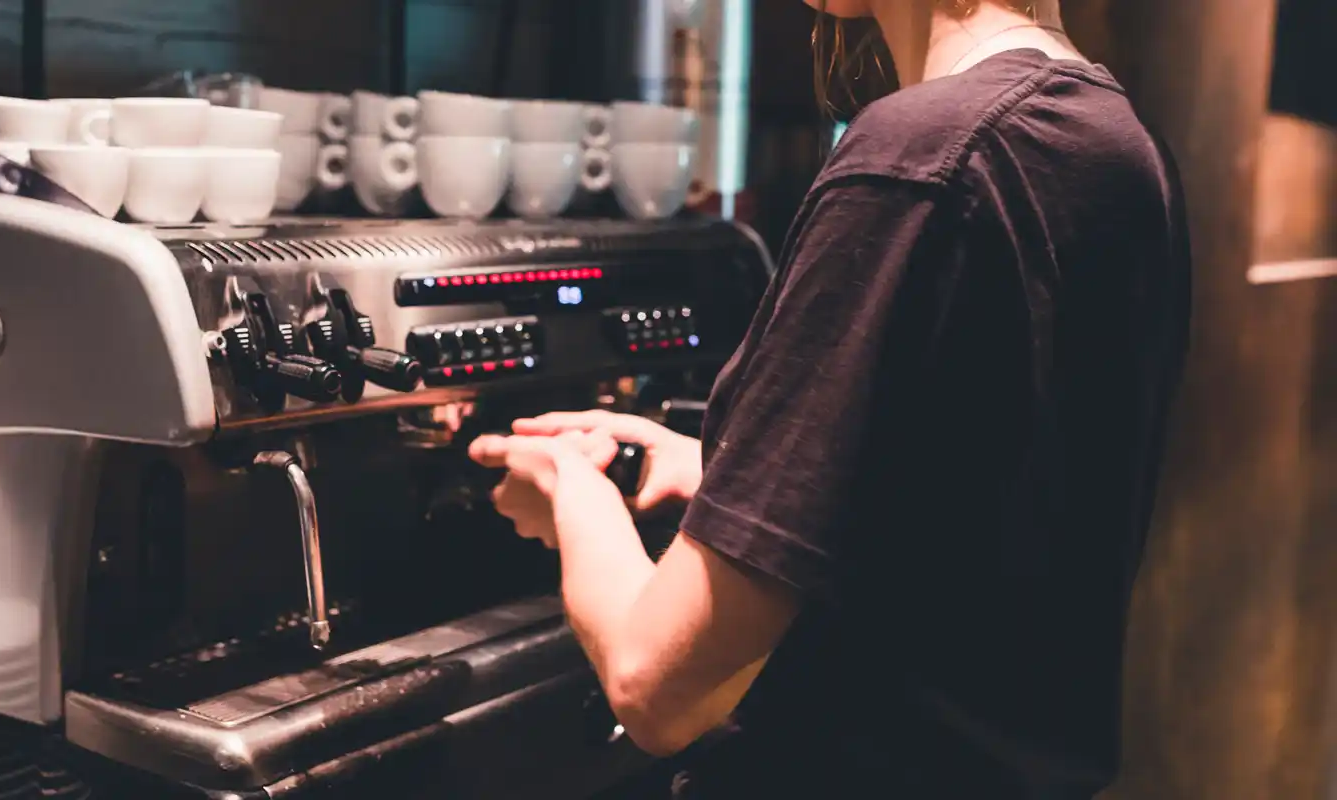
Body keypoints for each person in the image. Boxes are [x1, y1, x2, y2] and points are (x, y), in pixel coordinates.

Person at [467, 0, 1192, 797]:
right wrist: (727, 473)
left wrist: (573, 489)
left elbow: (655, 686)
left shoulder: (917, 156)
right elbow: (966, 518)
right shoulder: (1115, 141)